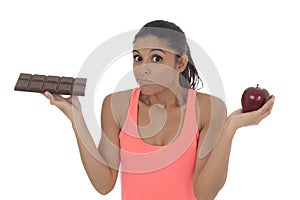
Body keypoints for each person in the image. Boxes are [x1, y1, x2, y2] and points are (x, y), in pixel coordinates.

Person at [44, 20, 275, 200]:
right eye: (137, 58)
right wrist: (76, 118)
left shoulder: (208, 108)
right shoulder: (117, 105)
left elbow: (205, 194)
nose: (143, 68)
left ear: (181, 64)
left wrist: (230, 127)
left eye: (156, 58)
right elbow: (104, 184)